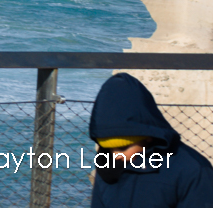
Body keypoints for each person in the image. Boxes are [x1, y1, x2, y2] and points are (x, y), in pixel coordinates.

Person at [89, 72, 213, 207]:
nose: (115, 155)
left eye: (123, 148)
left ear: (147, 136)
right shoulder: (107, 166)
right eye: (108, 148)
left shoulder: (193, 170)